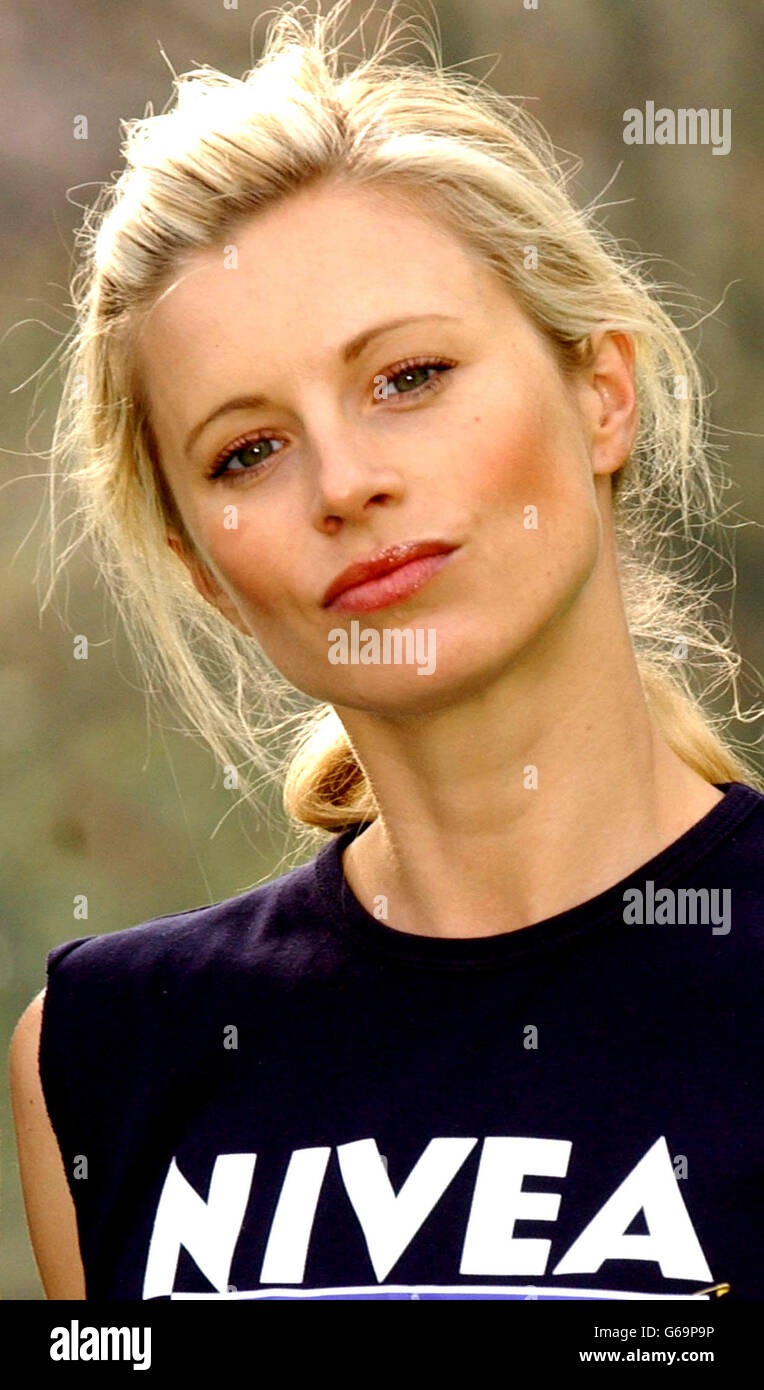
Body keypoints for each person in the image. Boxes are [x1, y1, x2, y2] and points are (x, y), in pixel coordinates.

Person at [9, 1, 763, 1301]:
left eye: (407, 377)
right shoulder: (108, 1049)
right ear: (207, 570)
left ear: (603, 394)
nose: (345, 481)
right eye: (248, 448)